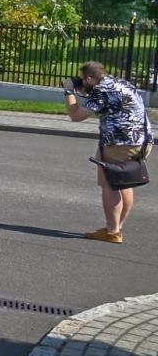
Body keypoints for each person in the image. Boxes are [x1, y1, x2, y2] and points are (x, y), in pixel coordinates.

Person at [64, 61, 152, 244]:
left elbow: (76, 116)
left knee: (110, 185)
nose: (82, 82)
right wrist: (84, 91)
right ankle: (116, 228)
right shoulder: (122, 83)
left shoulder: (100, 90)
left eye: (83, 80)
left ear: (89, 78)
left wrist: (69, 92)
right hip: (141, 140)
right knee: (124, 183)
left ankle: (112, 231)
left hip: (118, 143)